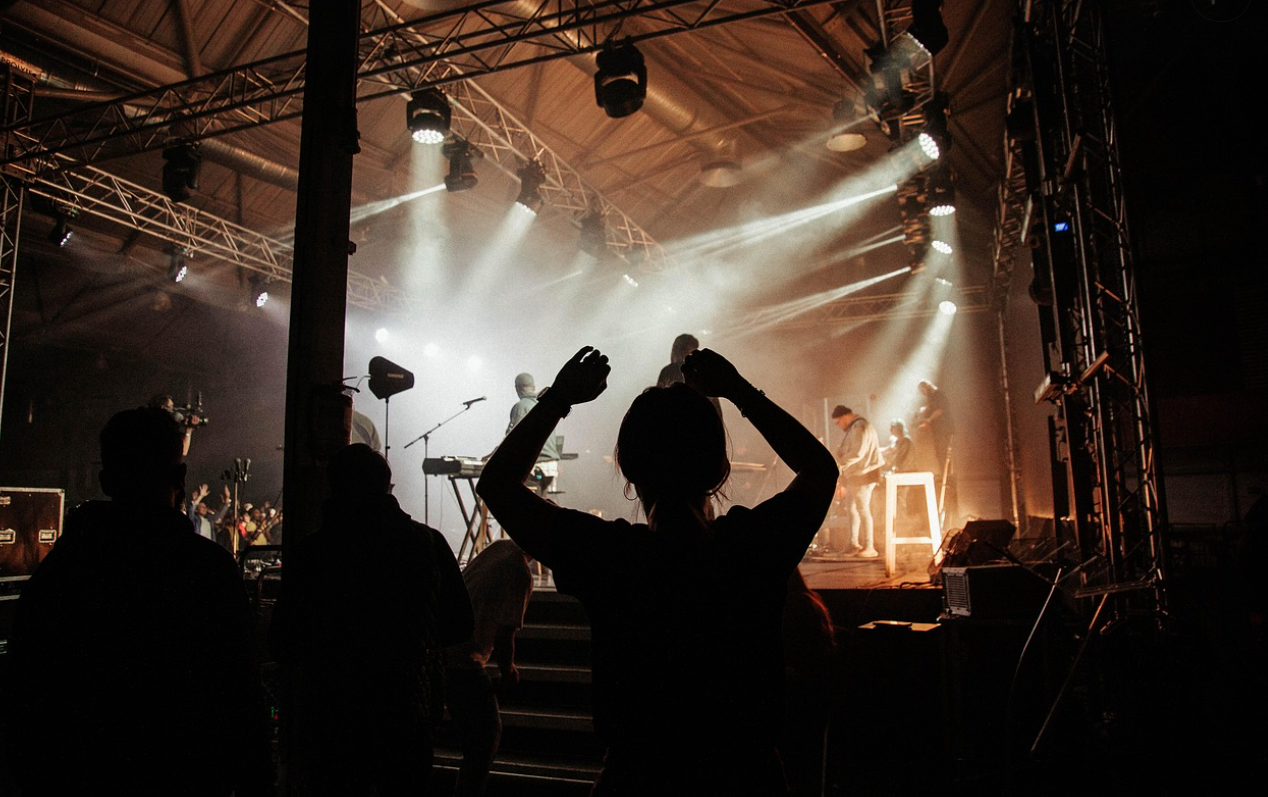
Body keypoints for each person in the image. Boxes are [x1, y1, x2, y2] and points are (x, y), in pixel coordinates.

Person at [478, 346, 838, 794]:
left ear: (627, 470)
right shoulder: (749, 547)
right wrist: (739, 392)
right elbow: (821, 470)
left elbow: (496, 484)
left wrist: (557, 400)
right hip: (745, 778)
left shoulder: (609, 556)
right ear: (720, 470)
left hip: (637, 778)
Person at [4, 407, 274, 797]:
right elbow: (240, 698)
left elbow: (24, 692)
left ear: (105, 480)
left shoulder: (64, 568)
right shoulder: (208, 570)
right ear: (179, 479)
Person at [269, 443, 473, 797]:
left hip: (330, 717)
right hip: (409, 709)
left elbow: (284, 641)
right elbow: (459, 625)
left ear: (333, 489)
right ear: (387, 488)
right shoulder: (427, 543)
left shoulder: (311, 554)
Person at [443, 539, 535, 797]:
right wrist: (508, 671)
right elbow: (506, 634)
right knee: (486, 738)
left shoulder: (499, 548)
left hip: (446, 652)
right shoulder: (520, 572)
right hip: (466, 660)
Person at [832, 405, 885, 557]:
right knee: (852, 509)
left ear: (845, 416)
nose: (839, 426)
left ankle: (869, 546)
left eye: (838, 422)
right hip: (857, 474)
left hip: (865, 473)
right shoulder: (856, 427)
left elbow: (858, 452)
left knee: (862, 509)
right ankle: (853, 543)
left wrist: (840, 464)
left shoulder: (860, 426)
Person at [507, 372, 562, 494]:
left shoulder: (521, 406)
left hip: (535, 466)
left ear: (517, 388)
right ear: (533, 387)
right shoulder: (544, 404)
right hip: (551, 466)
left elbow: (511, 440)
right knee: (539, 502)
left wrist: (491, 457)